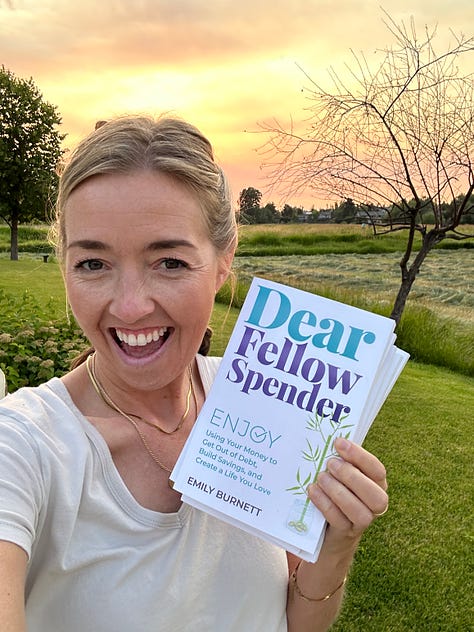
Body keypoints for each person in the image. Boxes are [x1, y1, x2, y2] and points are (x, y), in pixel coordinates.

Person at [0, 115, 389, 631]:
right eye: (93, 264)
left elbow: (295, 623)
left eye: (170, 262)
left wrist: (336, 543)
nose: (132, 307)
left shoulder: (268, 401)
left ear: (223, 261)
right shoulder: (24, 444)